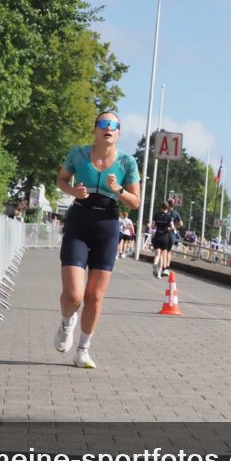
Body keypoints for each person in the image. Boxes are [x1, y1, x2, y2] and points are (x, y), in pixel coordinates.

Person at [54, 111, 140, 369]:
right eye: (104, 124)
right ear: (95, 129)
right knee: (74, 295)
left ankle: (83, 349)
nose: (109, 128)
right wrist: (73, 191)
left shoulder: (127, 162)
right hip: (79, 221)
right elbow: (61, 179)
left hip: (107, 225)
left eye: (114, 125)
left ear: (119, 133)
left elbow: (135, 202)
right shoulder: (78, 154)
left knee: (94, 296)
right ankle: (67, 323)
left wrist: (118, 190)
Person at [150, 201, 175, 278]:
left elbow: (153, 226)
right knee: (162, 254)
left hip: (157, 236)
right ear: (168, 208)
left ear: (161, 207)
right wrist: (169, 229)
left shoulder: (156, 215)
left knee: (157, 254)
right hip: (165, 237)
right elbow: (173, 228)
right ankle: (159, 273)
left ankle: (155, 263)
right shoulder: (169, 217)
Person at [163, 199, 184, 271]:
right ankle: (167, 267)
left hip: (165, 234)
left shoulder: (165, 213)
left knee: (164, 250)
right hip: (172, 234)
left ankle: (164, 266)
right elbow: (181, 224)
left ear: (168, 205)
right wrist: (174, 227)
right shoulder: (176, 213)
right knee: (169, 251)